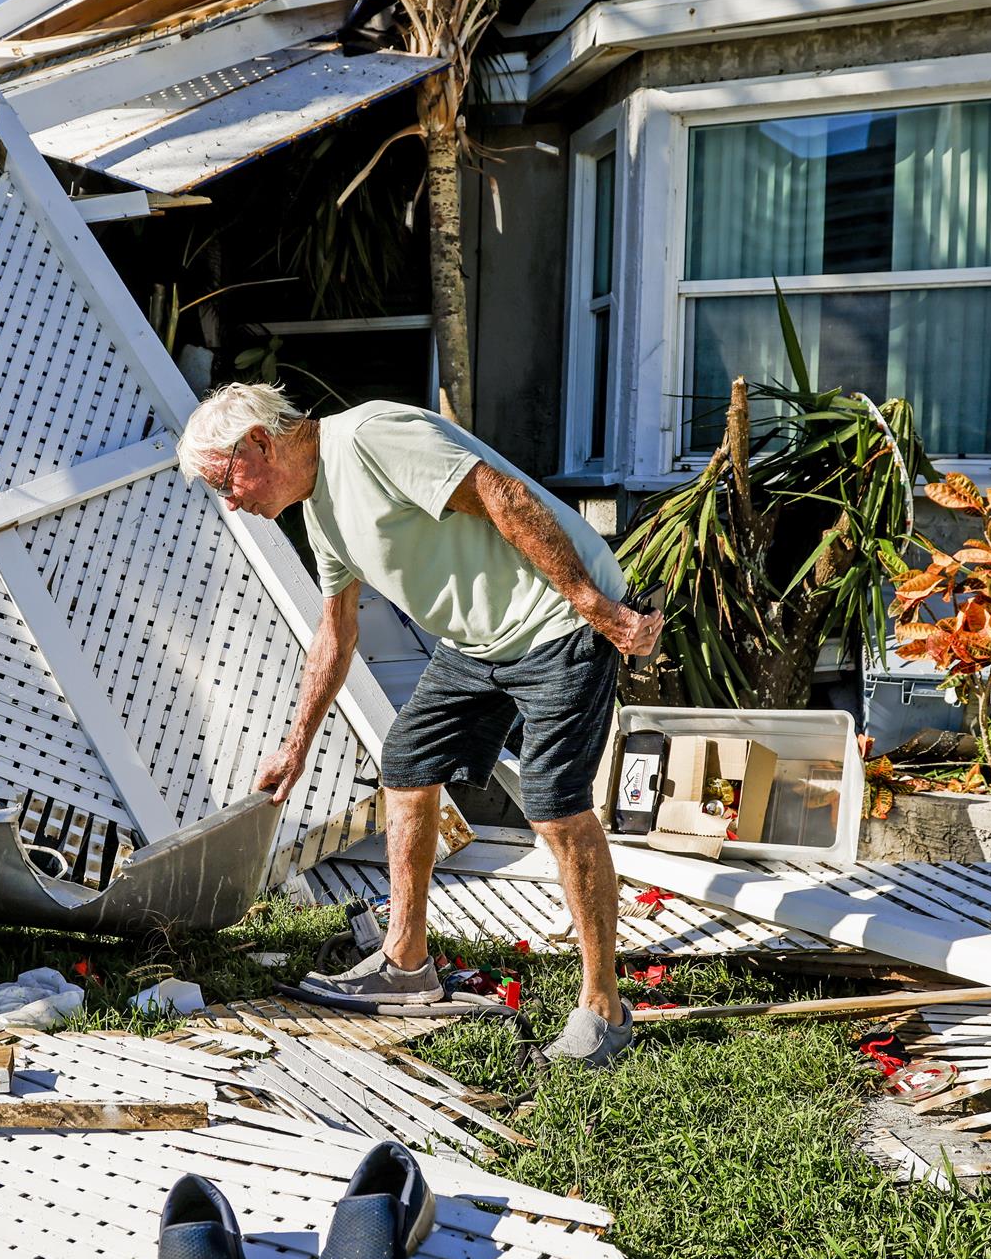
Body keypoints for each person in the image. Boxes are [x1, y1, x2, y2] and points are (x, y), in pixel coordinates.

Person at [176, 384, 664, 1067]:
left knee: (555, 807)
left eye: (225, 481)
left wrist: (595, 606)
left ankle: (603, 1009)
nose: (230, 502)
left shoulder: (369, 438)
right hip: (478, 644)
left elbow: (501, 495)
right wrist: (295, 746)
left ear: (260, 441)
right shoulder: (321, 515)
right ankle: (405, 962)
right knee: (407, 762)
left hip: (558, 621)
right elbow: (336, 633)